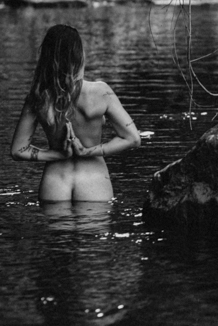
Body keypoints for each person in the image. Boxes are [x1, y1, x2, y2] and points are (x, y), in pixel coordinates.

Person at [11, 24, 141, 202]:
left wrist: (58, 154)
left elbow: (18, 150)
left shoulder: (38, 97)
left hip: (55, 181)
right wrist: (87, 152)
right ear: (79, 55)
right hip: (94, 181)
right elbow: (133, 138)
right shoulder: (101, 92)